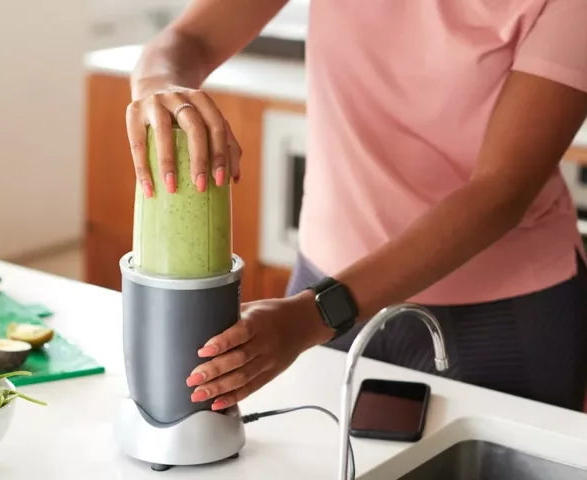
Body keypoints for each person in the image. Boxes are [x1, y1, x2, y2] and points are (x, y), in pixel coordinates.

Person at [126, 0, 587, 412]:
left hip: (499, 317)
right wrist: (159, 88)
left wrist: (312, 316)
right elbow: (190, 39)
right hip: (321, 289)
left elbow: (502, 190)